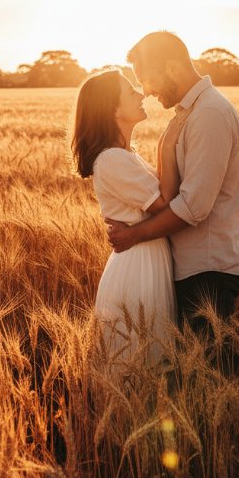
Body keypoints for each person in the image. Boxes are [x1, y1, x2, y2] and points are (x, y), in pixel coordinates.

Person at [106, 31, 239, 342]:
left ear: (172, 67)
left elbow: (194, 207)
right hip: (196, 268)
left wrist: (133, 235)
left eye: (147, 79)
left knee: (210, 367)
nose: (146, 91)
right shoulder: (192, 113)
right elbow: (169, 192)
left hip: (209, 270)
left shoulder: (209, 113)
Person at [71, 69, 189, 365]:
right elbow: (165, 204)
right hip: (139, 267)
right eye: (130, 91)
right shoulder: (112, 159)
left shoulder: (125, 155)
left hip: (147, 258)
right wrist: (167, 144)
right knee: (140, 362)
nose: (141, 93)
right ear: (112, 109)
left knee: (149, 360)